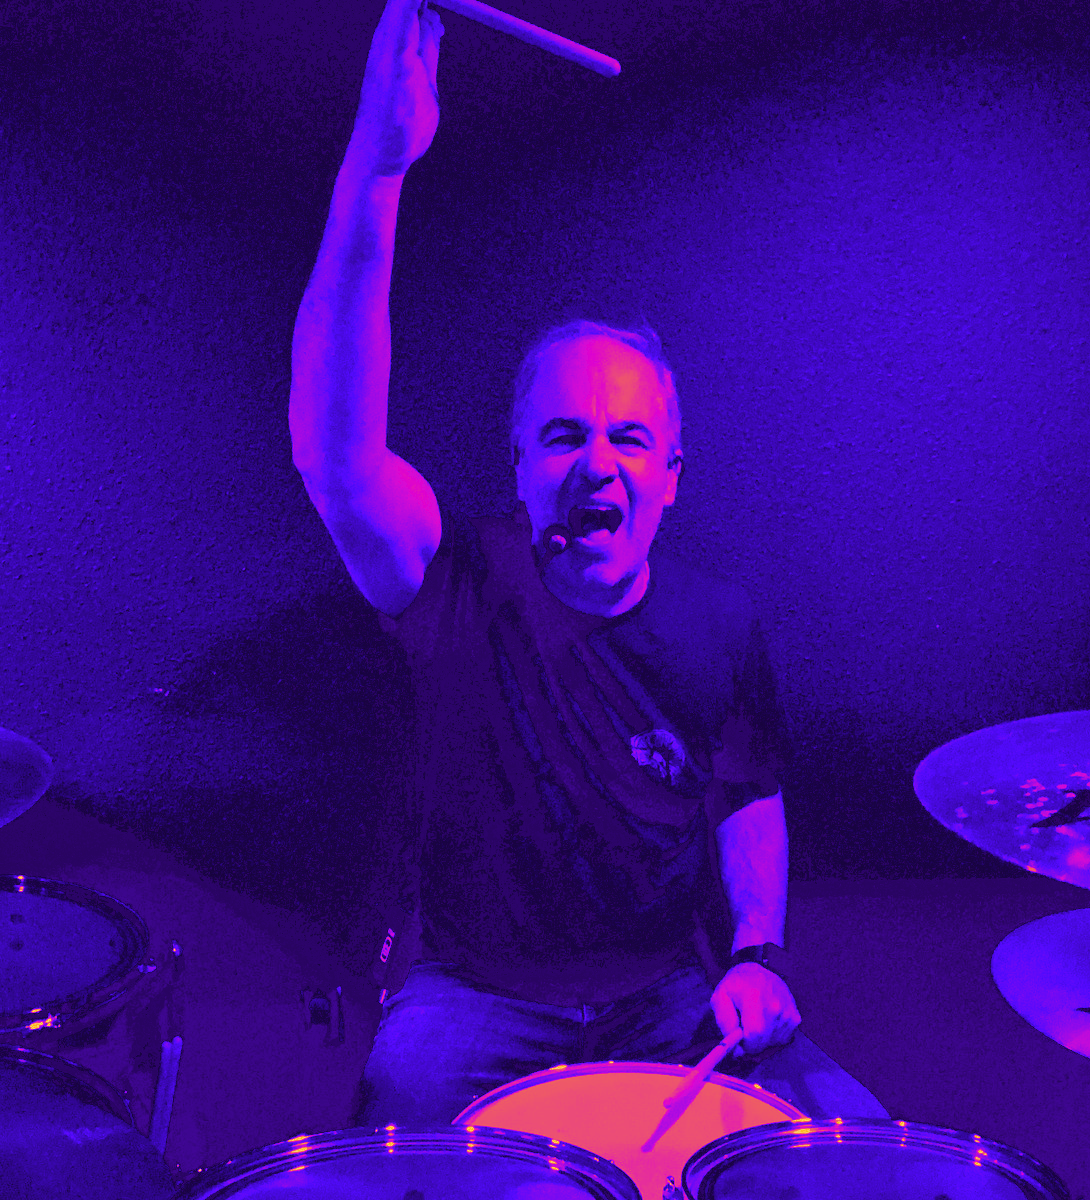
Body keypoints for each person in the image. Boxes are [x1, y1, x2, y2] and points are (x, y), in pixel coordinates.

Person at [288, 0, 889, 1133]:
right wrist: (379, 163)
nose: (597, 463)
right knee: (395, 1146)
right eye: (563, 436)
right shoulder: (454, 582)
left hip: (667, 1001)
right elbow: (336, 458)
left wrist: (757, 952)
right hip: (472, 999)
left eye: (628, 439)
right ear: (518, 467)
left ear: (671, 476)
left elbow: (749, 793)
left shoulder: (720, 624)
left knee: (851, 1141)